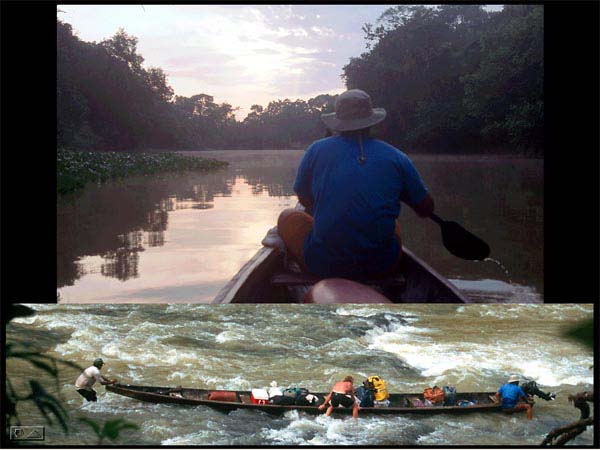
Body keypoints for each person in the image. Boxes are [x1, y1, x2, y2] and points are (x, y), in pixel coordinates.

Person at [278, 89, 434, 280]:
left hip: (324, 264)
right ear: (372, 122)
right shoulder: (397, 156)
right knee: (393, 223)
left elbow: (303, 197)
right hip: (382, 265)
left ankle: (313, 271)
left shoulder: (316, 149)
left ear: (339, 122)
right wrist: (403, 193)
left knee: (287, 217)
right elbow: (426, 208)